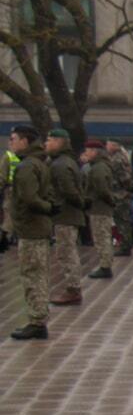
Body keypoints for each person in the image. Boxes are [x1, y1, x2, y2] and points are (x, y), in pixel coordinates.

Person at [7, 125, 54, 340]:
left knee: (32, 274)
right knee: (38, 273)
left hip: (31, 228)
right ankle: (39, 317)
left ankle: (37, 321)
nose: (11, 143)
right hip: (37, 227)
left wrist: (47, 208)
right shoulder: (40, 162)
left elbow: (28, 199)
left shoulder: (27, 166)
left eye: (14, 138)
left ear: (25, 141)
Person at [45, 127, 85, 306]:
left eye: (50, 140)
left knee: (66, 252)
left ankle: (73, 289)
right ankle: (72, 287)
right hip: (67, 214)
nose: (46, 143)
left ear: (59, 142)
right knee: (66, 251)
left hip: (65, 215)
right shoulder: (65, 161)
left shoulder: (61, 164)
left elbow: (69, 191)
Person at [82, 139, 118, 280]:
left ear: (94, 151)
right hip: (100, 207)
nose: (86, 153)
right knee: (102, 237)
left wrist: (109, 201)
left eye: (88, 150)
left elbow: (102, 189)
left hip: (100, 208)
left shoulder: (99, 167)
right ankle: (105, 265)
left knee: (101, 238)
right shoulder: (100, 166)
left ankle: (105, 266)